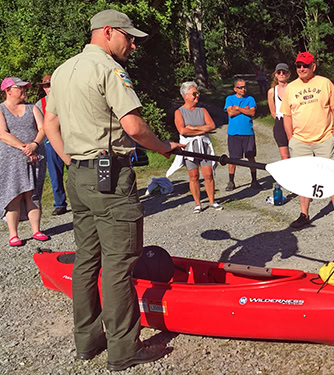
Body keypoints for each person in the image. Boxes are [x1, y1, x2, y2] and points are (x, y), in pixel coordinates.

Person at [42, 9, 182, 371]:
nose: (133, 45)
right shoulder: (108, 68)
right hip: (110, 176)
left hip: (80, 177)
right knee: (120, 263)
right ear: (107, 32)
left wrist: (69, 160)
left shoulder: (62, 70)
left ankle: (87, 341)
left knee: (88, 259)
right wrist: (164, 146)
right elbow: (133, 126)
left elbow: (51, 123)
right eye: (128, 37)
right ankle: (124, 349)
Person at [281, 52, 334, 228]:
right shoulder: (291, 88)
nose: (301, 69)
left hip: (324, 139)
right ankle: (304, 214)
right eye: (298, 66)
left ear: (313, 67)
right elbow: (286, 115)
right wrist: (291, 138)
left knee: (333, 175)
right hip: (300, 142)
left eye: (305, 65)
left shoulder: (324, 83)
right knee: (303, 179)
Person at [0, 77, 49, 247]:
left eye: (25, 88)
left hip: (34, 157)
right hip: (9, 160)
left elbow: (43, 127)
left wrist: (34, 145)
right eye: (20, 88)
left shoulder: (32, 108)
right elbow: (2, 133)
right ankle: (13, 234)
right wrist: (25, 148)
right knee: (13, 193)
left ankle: (36, 229)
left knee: (33, 192)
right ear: (8, 91)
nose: (24, 91)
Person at [173, 81, 222, 213]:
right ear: (186, 95)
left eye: (197, 93)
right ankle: (197, 203)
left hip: (204, 145)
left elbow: (212, 126)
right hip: (190, 147)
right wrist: (202, 130)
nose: (197, 96)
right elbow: (182, 131)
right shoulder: (179, 112)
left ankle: (212, 201)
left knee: (208, 174)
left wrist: (194, 128)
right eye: (194, 93)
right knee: (193, 176)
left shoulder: (202, 110)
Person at [35, 74, 68, 216]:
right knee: (55, 174)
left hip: (70, 139)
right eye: (46, 86)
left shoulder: (67, 99)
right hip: (51, 142)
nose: (49, 88)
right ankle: (59, 203)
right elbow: (39, 126)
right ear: (43, 88)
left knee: (77, 170)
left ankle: (82, 200)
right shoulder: (39, 104)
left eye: (51, 85)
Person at [224, 78, 260, 190]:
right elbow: (230, 113)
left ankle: (254, 180)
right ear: (235, 89)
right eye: (240, 87)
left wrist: (238, 108)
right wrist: (245, 109)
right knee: (233, 158)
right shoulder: (229, 99)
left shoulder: (250, 99)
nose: (243, 89)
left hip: (248, 132)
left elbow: (252, 112)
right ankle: (231, 181)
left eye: (244, 87)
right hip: (234, 133)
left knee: (251, 157)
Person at [267, 63, 291, 160]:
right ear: (275, 74)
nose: (282, 74)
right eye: (279, 72)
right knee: (284, 156)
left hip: (294, 121)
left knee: (298, 152)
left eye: (284, 72)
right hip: (280, 122)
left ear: (288, 74)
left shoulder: (293, 88)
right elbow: (273, 111)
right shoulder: (272, 92)